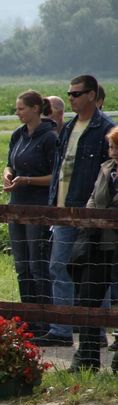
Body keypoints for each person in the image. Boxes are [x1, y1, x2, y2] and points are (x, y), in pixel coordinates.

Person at [35, 74, 116, 348]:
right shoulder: (69, 128)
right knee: (58, 267)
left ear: (92, 95)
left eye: (76, 93)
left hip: (90, 212)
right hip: (61, 210)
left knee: (94, 270)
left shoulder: (105, 129)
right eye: (69, 94)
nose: (71, 98)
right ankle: (61, 328)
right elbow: (59, 171)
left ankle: (96, 331)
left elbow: (108, 175)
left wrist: (98, 212)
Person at [3, 90, 58, 332]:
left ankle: (44, 318)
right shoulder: (18, 134)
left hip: (38, 206)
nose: (18, 112)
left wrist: (28, 180)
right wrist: (8, 174)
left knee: (38, 263)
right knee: (22, 264)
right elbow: (9, 163)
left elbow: (55, 177)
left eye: (21, 108)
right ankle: (28, 317)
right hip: (16, 204)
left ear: (35, 108)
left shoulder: (50, 137)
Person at [67, 127, 118, 372]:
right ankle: (86, 357)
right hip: (96, 243)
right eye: (111, 147)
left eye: (116, 147)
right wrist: (91, 218)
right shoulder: (105, 168)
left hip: (116, 243)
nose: (113, 152)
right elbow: (92, 197)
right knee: (87, 299)